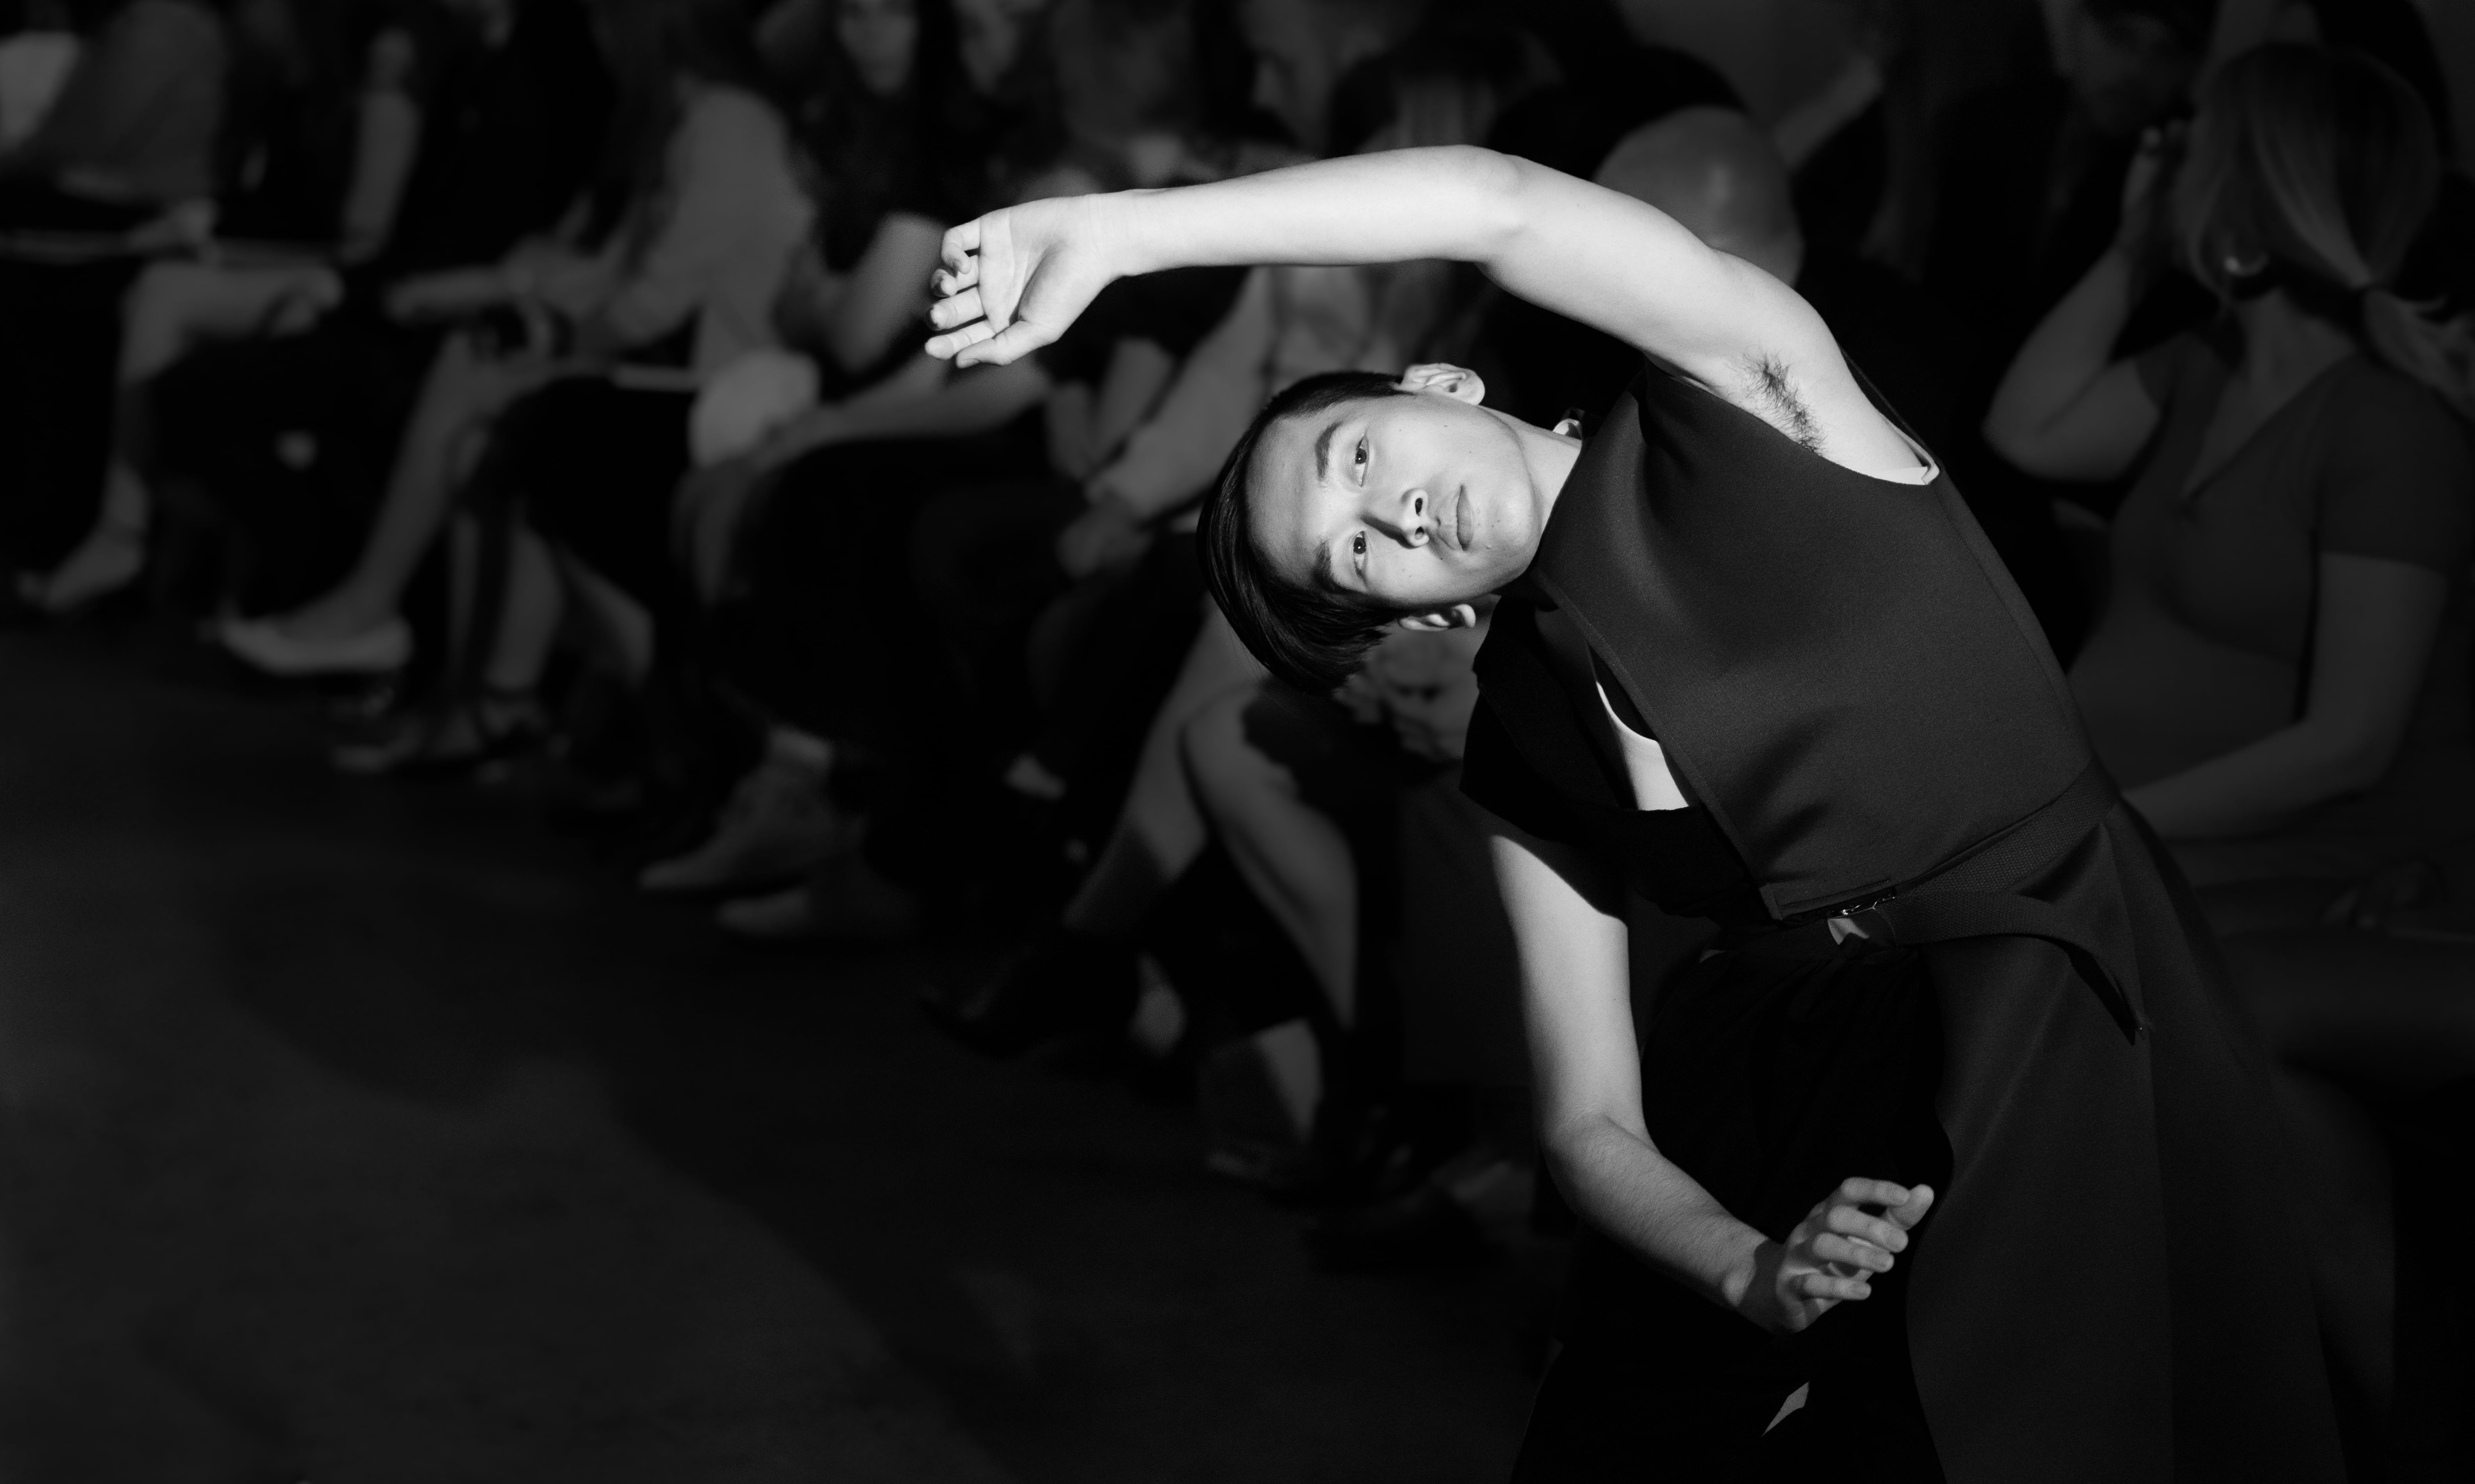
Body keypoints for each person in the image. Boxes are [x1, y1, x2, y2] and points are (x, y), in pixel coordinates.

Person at [920, 144, 2344, 1473]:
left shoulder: (1747, 396)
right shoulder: (1518, 753)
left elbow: (1496, 204)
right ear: (1416, 613)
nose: (1394, 515)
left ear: (1439, 383)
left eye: (1358, 458)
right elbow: (1591, 1126)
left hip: (2050, 1013)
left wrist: (1124, 232)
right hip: (1768, 1112)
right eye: (1354, 557)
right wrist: (1745, 1266)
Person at [1984, 46, 2475, 1460]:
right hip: (2202, 837)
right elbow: (2027, 426)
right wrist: (2137, 245)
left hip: (2339, 850)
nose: (2165, 167)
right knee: (2245, 1079)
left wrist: (2101, 821)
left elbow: (2350, 743)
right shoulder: (2205, 368)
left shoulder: (2388, 428)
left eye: (2193, 157)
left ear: (2250, 202)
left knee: (2161, 1002)